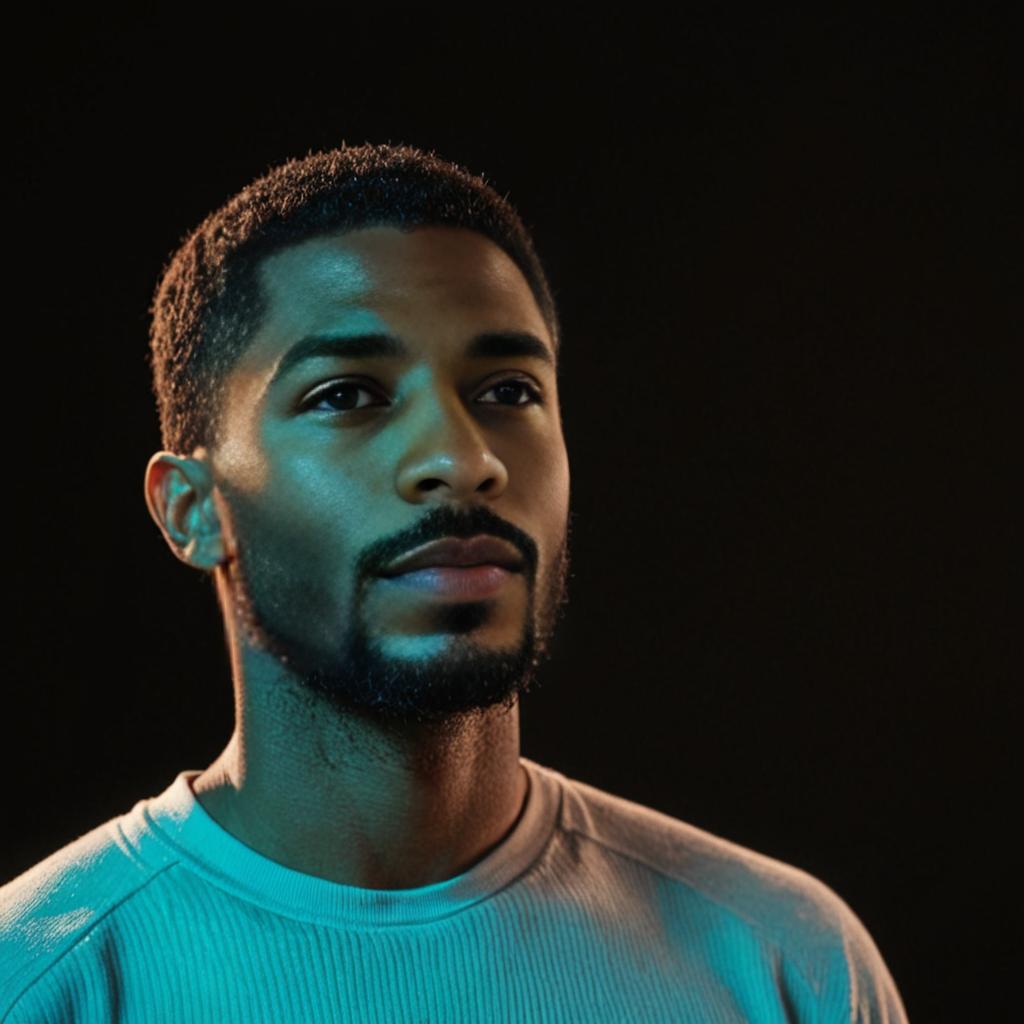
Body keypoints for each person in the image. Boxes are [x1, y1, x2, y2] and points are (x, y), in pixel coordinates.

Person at [0, 143, 908, 1022]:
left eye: (508, 391)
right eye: (348, 395)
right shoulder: (39, 983)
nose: (461, 459)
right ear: (193, 508)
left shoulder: (787, 965)